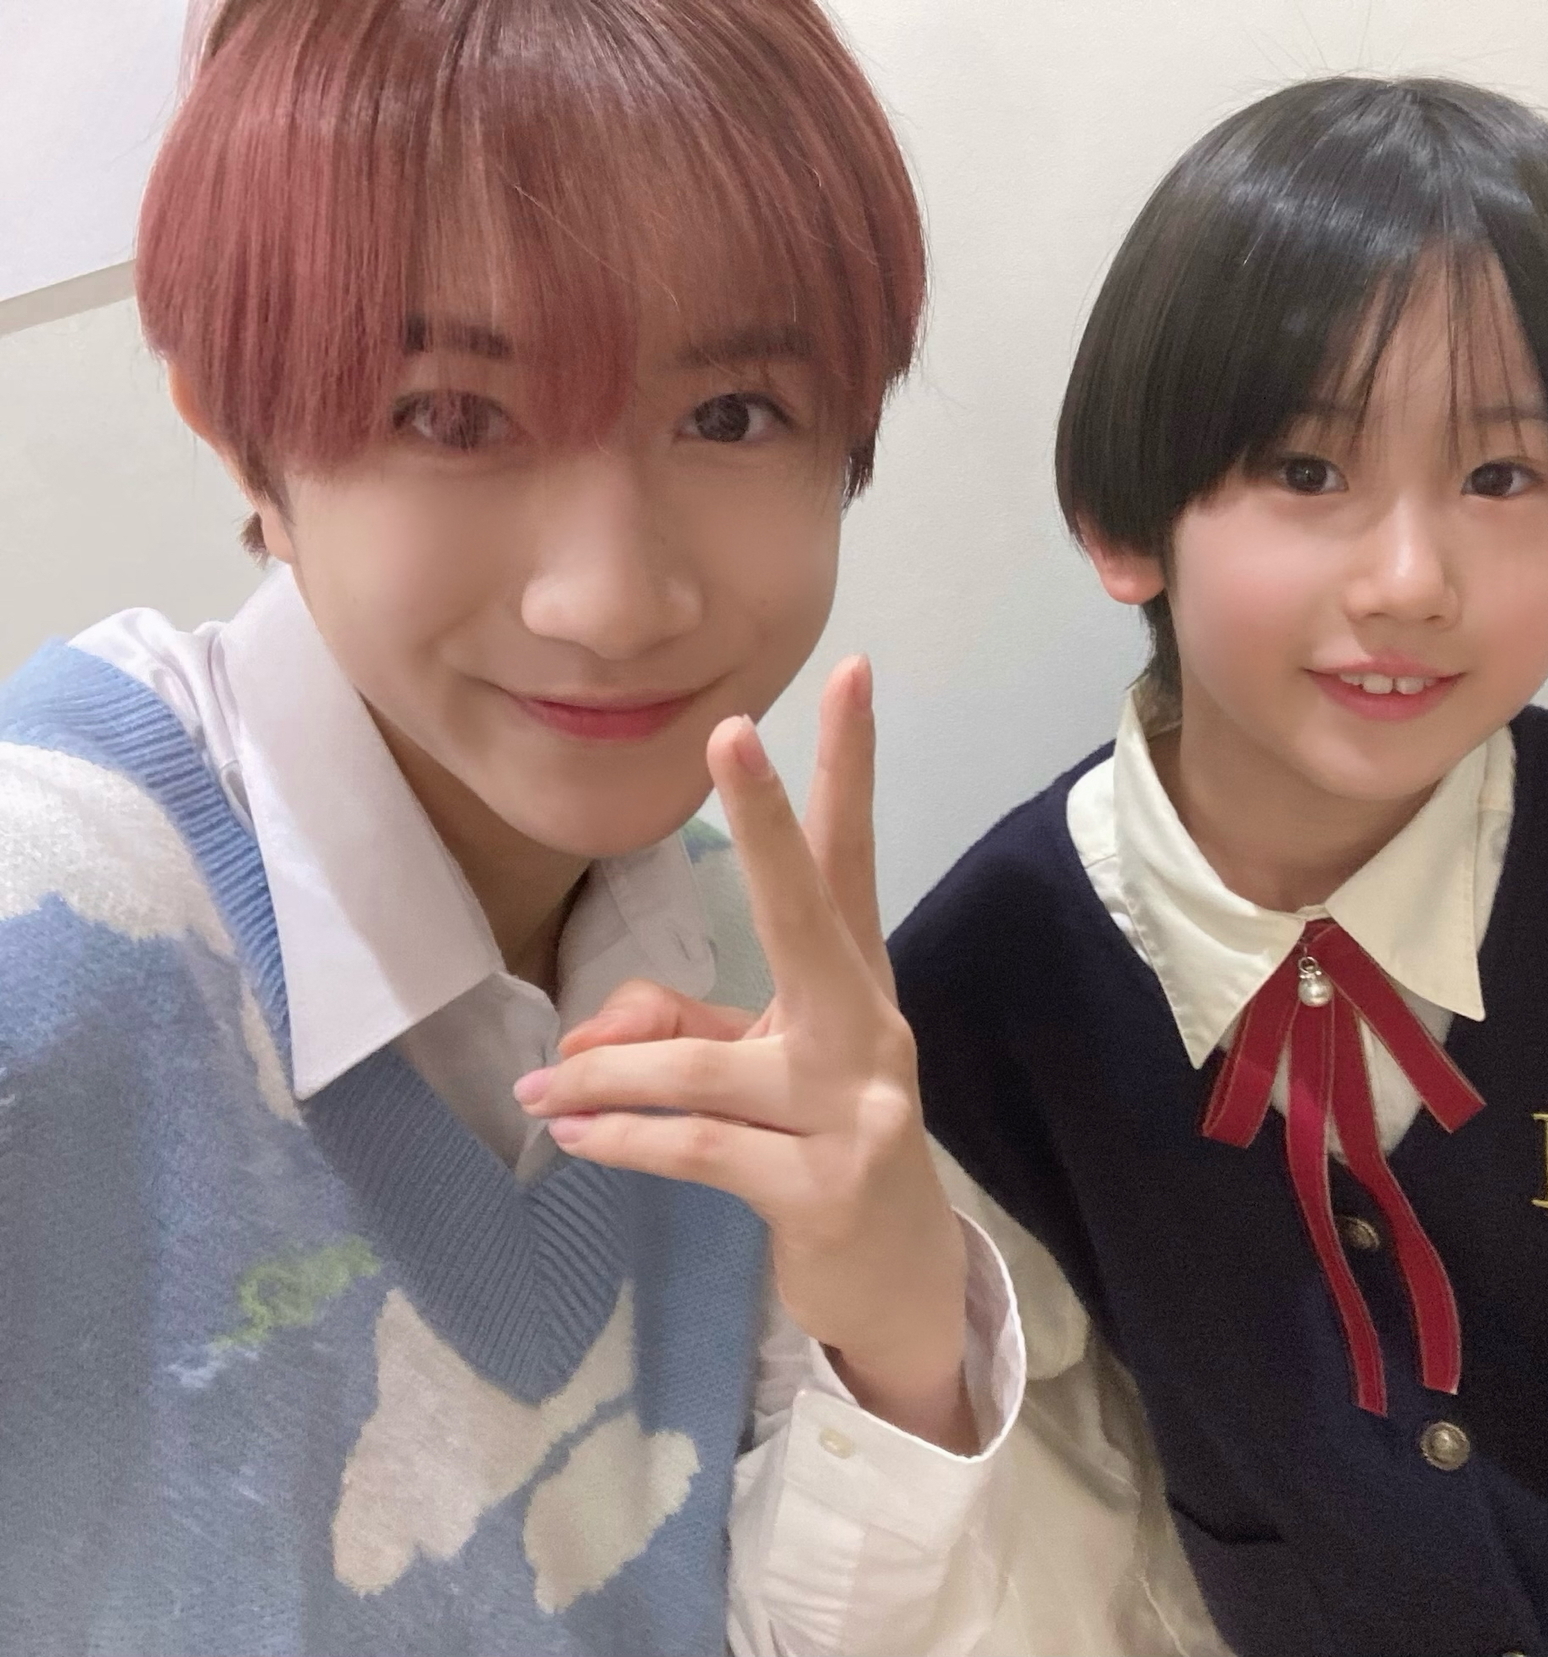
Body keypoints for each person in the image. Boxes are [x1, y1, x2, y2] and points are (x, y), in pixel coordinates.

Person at [869, 77, 1548, 1657]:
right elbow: (1047, 1514)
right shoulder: (992, 987)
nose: (1410, 580)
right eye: (1306, 470)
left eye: (1501, 476)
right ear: (1124, 525)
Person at [0, 2, 1033, 1652]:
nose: (611, 603)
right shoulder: (52, 925)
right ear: (239, 437)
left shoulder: (727, 929)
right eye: (451, 413)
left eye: (732, 413)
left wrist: (899, 1332)